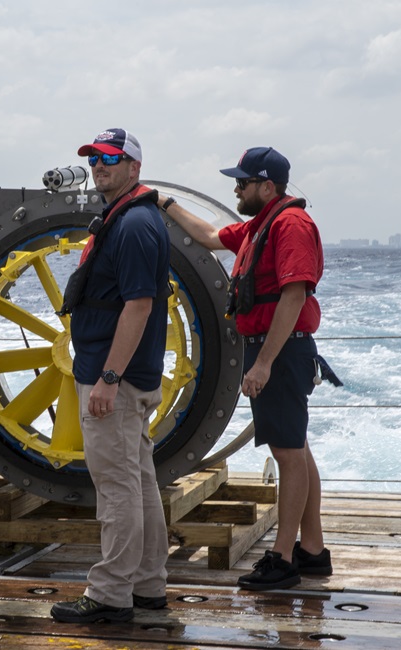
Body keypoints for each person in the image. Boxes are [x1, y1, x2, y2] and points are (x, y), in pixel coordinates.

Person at [157, 146, 335, 590]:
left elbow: (293, 296)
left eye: (243, 182)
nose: (235, 188)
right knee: (297, 447)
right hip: (277, 349)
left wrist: (264, 364)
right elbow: (210, 235)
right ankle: (312, 550)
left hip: (281, 350)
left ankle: (283, 559)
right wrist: (165, 203)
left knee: (288, 455)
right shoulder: (262, 225)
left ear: (267, 186)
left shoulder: (290, 224)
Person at [50, 129, 172, 623]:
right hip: (125, 375)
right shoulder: (132, 219)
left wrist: (108, 376)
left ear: (134, 168)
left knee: (117, 488)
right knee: (138, 482)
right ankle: (146, 586)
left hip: (115, 381)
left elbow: (138, 307)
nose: (99, 166)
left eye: (110, 158)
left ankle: (109, 595)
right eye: (94, 158)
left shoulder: (134, 226)